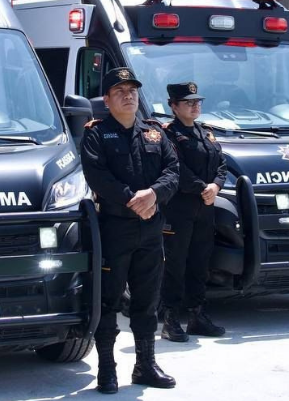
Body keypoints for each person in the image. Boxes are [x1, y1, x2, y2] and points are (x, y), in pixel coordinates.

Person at [80, 67, 179, 394]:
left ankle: (145, 364)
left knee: (147, 302)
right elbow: (98, 176)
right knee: (108, 301)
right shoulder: (96, 133)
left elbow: (173, 171)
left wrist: (153, 195)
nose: (128, 95)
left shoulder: (154, 132)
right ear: (106, 100)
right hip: (114, 231)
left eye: (132, 90)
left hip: (151, 231)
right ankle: (106, 369)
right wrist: (131, 199)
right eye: (120, 91)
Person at [160, 82, 227, 342]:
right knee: (175, 264)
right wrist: (203, 187)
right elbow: (174, 168)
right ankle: (171, 319)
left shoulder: (206, 133)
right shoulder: (168, 134)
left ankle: (197, 315)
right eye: (188, 102)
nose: (195, 105)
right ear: (174, 106)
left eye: (197, 101)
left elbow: (221, 163)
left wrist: (216, 186)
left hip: (204, 207)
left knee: (200, 262)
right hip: (179, 208)